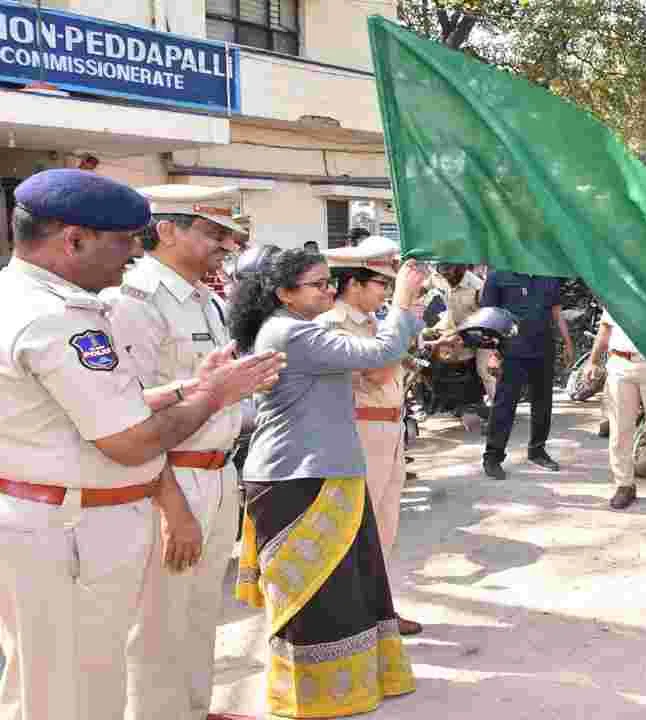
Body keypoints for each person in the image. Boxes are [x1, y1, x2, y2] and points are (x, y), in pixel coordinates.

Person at [0, 169, 281, 720]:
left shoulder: (31, 299)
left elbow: (105, 405)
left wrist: (190, 388)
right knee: (77, 692)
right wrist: (214, 398)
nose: (133, 255)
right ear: (73, 239)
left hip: (58, 519)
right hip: (69, 530)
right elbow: (129, 441)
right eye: (124, 242)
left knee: (51, 680)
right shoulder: (56, 318)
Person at [230, 248, 426, 718]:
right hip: (297, 476)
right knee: (313, 593)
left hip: (321, 471)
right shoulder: (290, 333)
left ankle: (346, 686)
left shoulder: (302, 329)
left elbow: (381, 355)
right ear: (284, 293)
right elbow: (379, 354)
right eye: (318, 284)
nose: (329, 290)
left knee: (342, 587)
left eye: (327, 282)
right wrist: (400, 298)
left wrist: (409, 309)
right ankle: (313, 695)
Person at [101, 185, 258, 720]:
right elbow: (130, 418)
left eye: (228, 234)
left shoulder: (205, 298)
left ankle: (192, 710)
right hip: (171, 479)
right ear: (166, 229)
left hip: (217, 472)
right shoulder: (134, 302)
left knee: (197, 612)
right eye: (212, 231)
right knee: (157, 621)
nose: (225, 244)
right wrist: (172, 507)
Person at [315, 236, 426, 636]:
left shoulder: (373, 321)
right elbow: (377, 372)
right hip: (361, 428)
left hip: (388, 428)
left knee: (383, 527)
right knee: (359, 527)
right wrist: (400, 310)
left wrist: (404, 319)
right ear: (354, 284)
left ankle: (378, 609)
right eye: (381, 283)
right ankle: (356, 615)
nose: (385, 291)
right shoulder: (333, 323)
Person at [480, 271, 574, 479]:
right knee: (505, 404)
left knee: (543, 403)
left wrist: (567, 343)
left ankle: (537, 451)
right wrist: (493, 353)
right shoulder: (498, 275)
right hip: (511, 351)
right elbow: (489, 317)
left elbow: (556, 312)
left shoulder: (548, 275)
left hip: (543, 349)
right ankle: (493, 457)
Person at [582, 309, 646, 509]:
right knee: (620, 430)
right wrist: (592, 361)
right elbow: (605, 329)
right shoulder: (618, 289)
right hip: (621, 365)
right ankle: (624, 484)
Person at [431, 261, 496, 406]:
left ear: (460, 268)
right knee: (447, 362)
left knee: (484, 370)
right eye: (442, 270)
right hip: (459, 333)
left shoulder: (477, 286)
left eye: (448, 270)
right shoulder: (443, 280)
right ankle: (461, 404)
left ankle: (498, 408)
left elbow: (488, 315)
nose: (445, 275)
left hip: (482, 334)